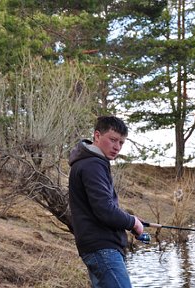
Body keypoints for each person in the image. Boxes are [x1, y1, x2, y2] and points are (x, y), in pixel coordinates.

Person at [68, 115, 144, 288]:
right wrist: (133, 223)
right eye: (113, 140)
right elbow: (105, 210)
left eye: (121, 143)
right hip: (102, 248)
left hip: (98, 247)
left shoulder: (91, 162)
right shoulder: (92, 164)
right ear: (96, 136)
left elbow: (100, 207)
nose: (117, 147)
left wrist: (131, 221)